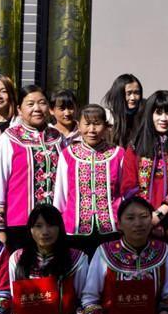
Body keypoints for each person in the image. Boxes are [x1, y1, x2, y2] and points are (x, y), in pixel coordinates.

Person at [121, 90, 168, 267]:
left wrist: (160, 213)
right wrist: (146, 216)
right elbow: (129, 185)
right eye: (158, 112)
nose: (163, 118)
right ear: (150, 115)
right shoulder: (135, 147)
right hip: (141, 225)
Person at [0, 85, 63, 251]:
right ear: (19, 109)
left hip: (54, 225)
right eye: (30, 104)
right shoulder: (9, 138)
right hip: (20, 223)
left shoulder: (58, 138)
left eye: (42, 103)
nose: (37, 108)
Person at [53, 105, 124, 256]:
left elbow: (124, 192)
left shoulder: (118, 154)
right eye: (87, 124)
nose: (92, 130)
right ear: (78, 126)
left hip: (111, 229)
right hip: (74, 230)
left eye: (97, 124)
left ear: (106, 127)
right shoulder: (68, 154)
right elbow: (60, 195)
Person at [102, 74, 143, 148]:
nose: (133, 98)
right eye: (129, 93)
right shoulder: (107, 117)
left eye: (136, 93)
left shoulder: (144, 115)